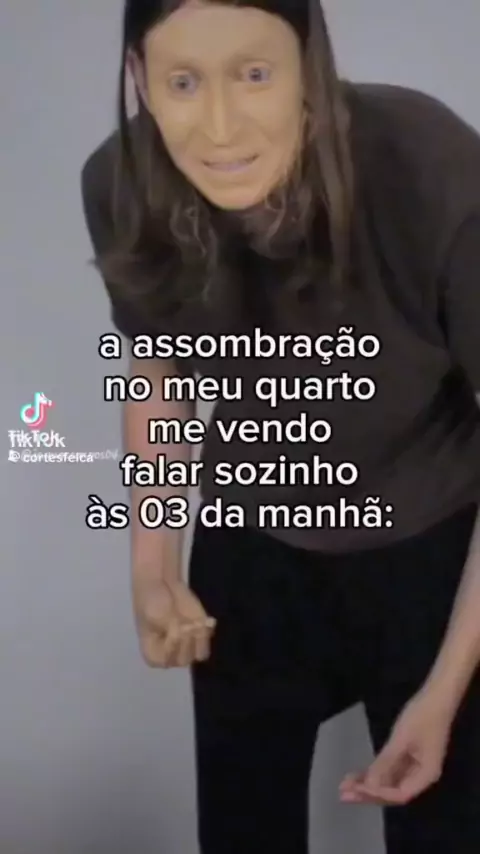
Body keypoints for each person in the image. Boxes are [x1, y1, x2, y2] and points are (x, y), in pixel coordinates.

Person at [80, 1, 480, 851]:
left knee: (446, 825)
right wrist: (153, 564)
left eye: (255, 74)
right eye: (184, 82)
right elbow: (160, 368)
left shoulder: (431, 164)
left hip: (435, 542)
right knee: (241, 828)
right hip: (254, 534)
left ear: (310, 67)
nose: (221, 126)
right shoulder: (120, 181)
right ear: (139, 78)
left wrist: (445, 691)